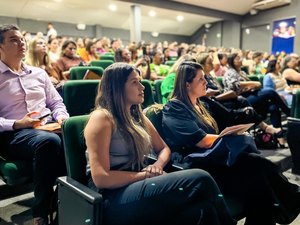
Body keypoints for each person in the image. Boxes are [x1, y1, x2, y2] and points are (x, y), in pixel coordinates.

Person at [84, 62, 236, 225]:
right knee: (200, 177)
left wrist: (158, 164)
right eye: (135, 82)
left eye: (140, 81)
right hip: (111, 197)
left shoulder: (137, 116)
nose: (142, 87)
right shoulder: (102, 118)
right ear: (117, 88)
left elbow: (163, 148)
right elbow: (101, 178)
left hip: (137, 182)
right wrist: (146, 175)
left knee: (205, 209)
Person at [162, 61, 300, 225]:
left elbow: (229, 116)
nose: (206, 82)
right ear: (186, 84)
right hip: (197, 165)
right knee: (259, 170)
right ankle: (294, 198)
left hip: (217, 157)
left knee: (259, 176)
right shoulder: (174, 108)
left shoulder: (203, 103)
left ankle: (292, 199)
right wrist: (226, 136)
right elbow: (201, 141)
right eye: (201, 79)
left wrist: (242, 123)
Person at [0, 24, 69, 225]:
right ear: (1, 46)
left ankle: (77, 200)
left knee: (78, 133)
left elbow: (56, 102)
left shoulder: (38, 73)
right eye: (13, 39)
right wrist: (16, 123)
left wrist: (62, 117)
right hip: (14, 134)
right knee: (48, 142)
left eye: (21, 38)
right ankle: (41, 212)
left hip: (48, 126)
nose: (21, 42)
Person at [223, 53, 290, 145]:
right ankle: (289, 114)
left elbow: (246, 86)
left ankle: (279, 137)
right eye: (237, 58)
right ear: (232, 61)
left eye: (240, 58)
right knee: (270, 91)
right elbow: (233, 85)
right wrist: (253, 83)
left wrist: (251, 86)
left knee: (273, 107)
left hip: (249, 95)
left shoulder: (242, 72)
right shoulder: (230, 72)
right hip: (239, 100)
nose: (240, 59)